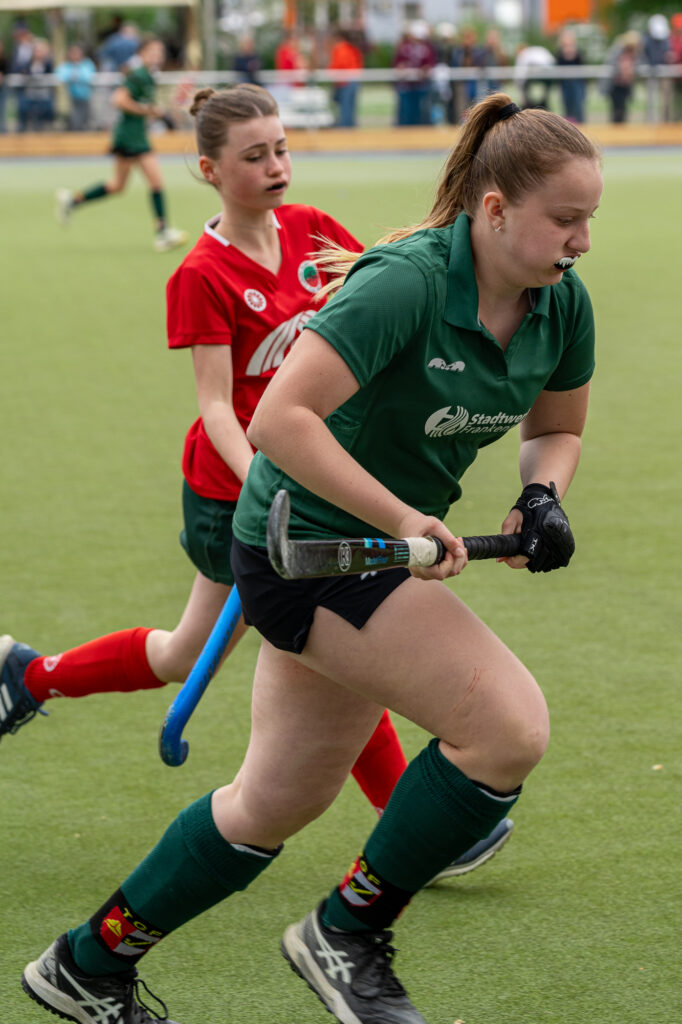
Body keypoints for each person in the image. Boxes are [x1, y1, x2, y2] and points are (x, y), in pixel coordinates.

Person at [20, 90, 601, 1024]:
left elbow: (556, 429)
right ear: (495, 209)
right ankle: (348, 934)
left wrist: (543, 496)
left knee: (270, 803)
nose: (582, 241)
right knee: (507, 726)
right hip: (307, 548)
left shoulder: (561, 305)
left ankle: (87, 964)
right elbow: (279, 421)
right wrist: (406, 516)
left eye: (589, 220)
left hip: (375, 547)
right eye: (566, 219)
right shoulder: (406, 284)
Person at [3, 78, 509, 861]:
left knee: (324, 632)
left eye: (281, 149)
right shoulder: (201, 274)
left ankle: (26, 676)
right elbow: (216, 406)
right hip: (232, 492)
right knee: (210, 650)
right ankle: (31, 677)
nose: (276, 167)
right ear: (209, 169)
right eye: (253, 156)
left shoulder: (314, 232)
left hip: (309, 483)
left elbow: (379, 310)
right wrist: (266, 479)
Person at [53, 35, 187, 253]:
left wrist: (156, 113)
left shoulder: (149, 76)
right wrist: (147, 110)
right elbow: (118, 99)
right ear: (142, 53)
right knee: (156, 182)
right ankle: (162, 233)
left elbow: (142, 105)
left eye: (159, 52)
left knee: (118, 186)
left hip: (135, 135)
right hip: (130, 137)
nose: (157, 56)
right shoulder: (137, 74)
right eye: (152, 52)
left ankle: (72, 201)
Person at [327, 26, 364, 128]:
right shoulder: (352, 48)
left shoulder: (341, 48)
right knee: (350, 107)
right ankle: (349, 127)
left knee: (345, 107)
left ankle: (344, 128)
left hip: (345, 81)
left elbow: (339, 64)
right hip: (353, 80)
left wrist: (332, 74)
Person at [55, 43, 97, 131]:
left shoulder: (87, 64)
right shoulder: (66, 65)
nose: (75, 55)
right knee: (75, 118)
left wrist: (76, 75)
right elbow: (60, 75)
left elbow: (89, 76)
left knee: (87, 117)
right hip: (72, 97)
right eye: (73, 53)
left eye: (77, 53)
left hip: (87, 96)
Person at [555, 27, 586, 123]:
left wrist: (572, 54)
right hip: (565, 84)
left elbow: (581, 64)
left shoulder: (578, 53)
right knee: (567, 108)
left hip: (577, 83)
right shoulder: (560, 54)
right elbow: (558, 65)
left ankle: (580, 124)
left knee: (578, 107)